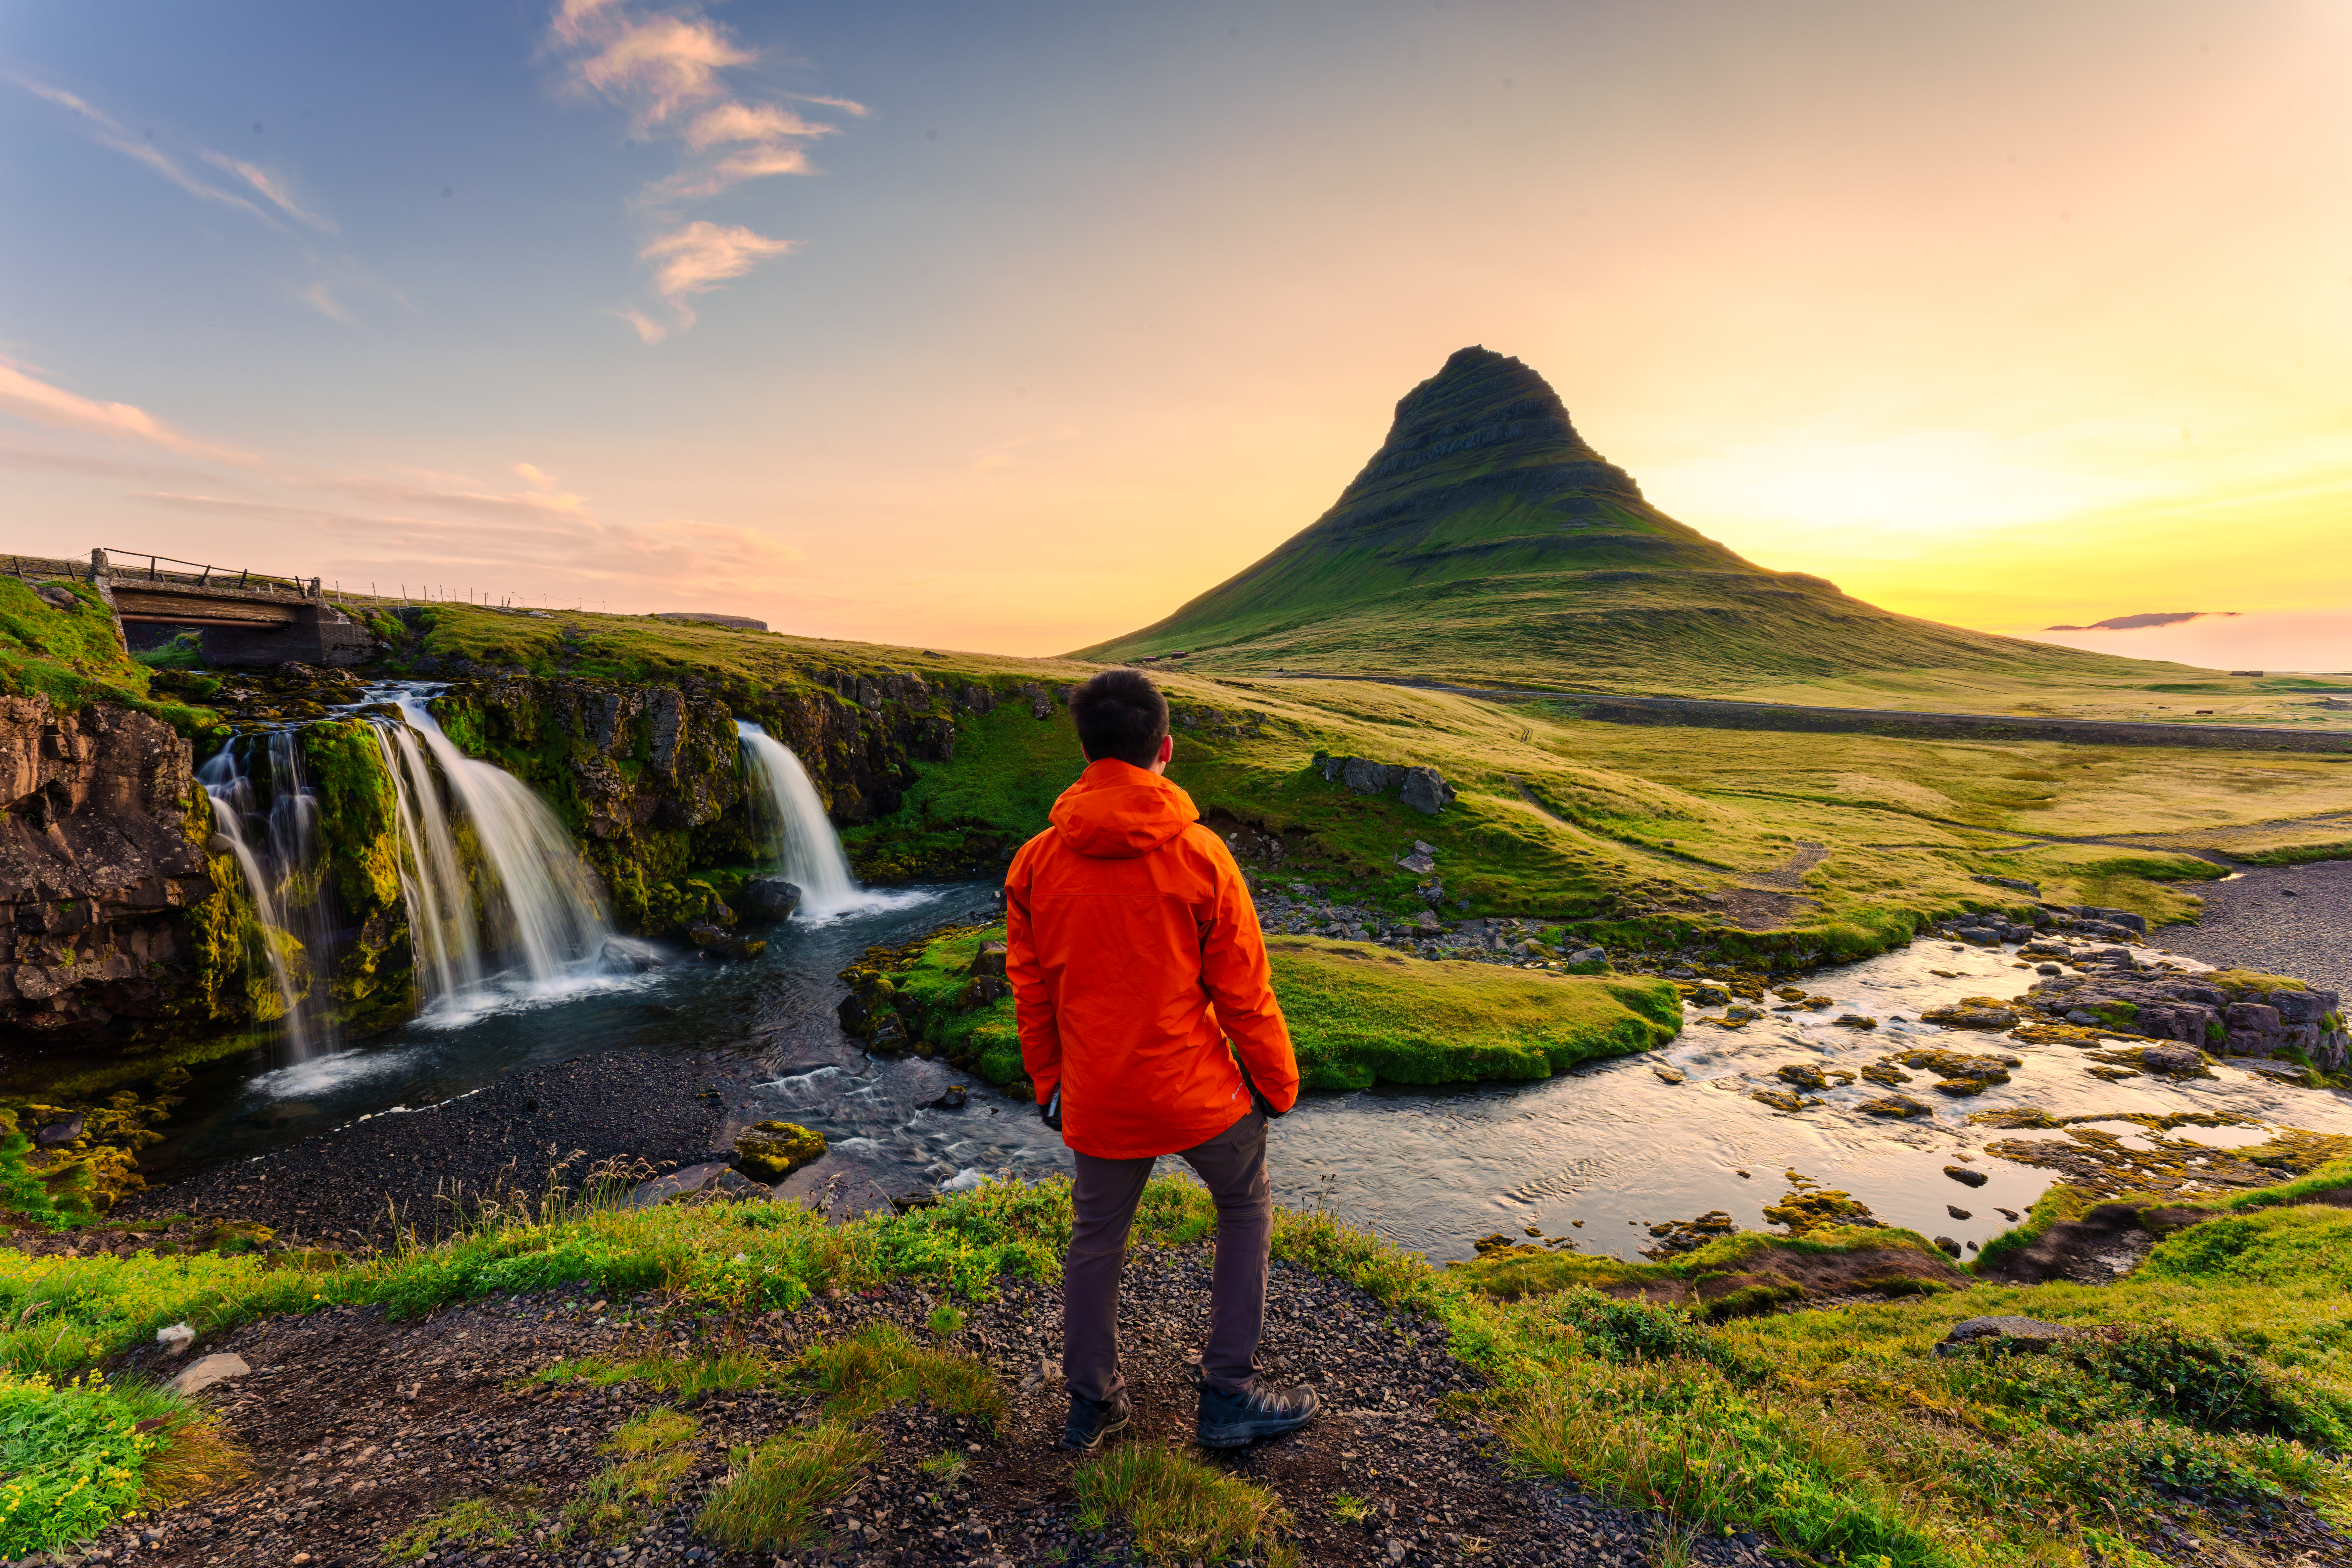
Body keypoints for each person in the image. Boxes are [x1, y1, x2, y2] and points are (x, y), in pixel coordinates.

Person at [1004, 667, 1318, 1453]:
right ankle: (1229, 1395)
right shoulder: (1203, 855)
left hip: (1101, 1098)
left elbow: (1031, 992)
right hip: (1199, 1093)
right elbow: (1245, 989)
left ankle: (1093, 1403)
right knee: (1244, 1207)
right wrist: (1277, 1084)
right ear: (1165, 749)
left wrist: (1050, 1084)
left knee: (1095, 1238)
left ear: (1083, 748)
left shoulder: (1036, 862)